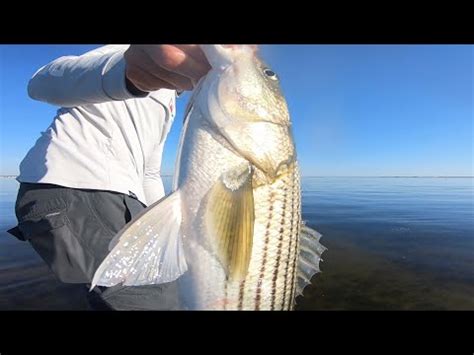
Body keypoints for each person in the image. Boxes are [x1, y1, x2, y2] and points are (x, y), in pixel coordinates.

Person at [7, 45, 212, 310]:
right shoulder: (131, 52)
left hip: (123, 196)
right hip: (77, 184)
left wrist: (168, 229)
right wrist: (128, 73)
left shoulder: (170, 103)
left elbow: (149, 171)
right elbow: (41, 82)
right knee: (151, 298)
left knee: (174, 283)